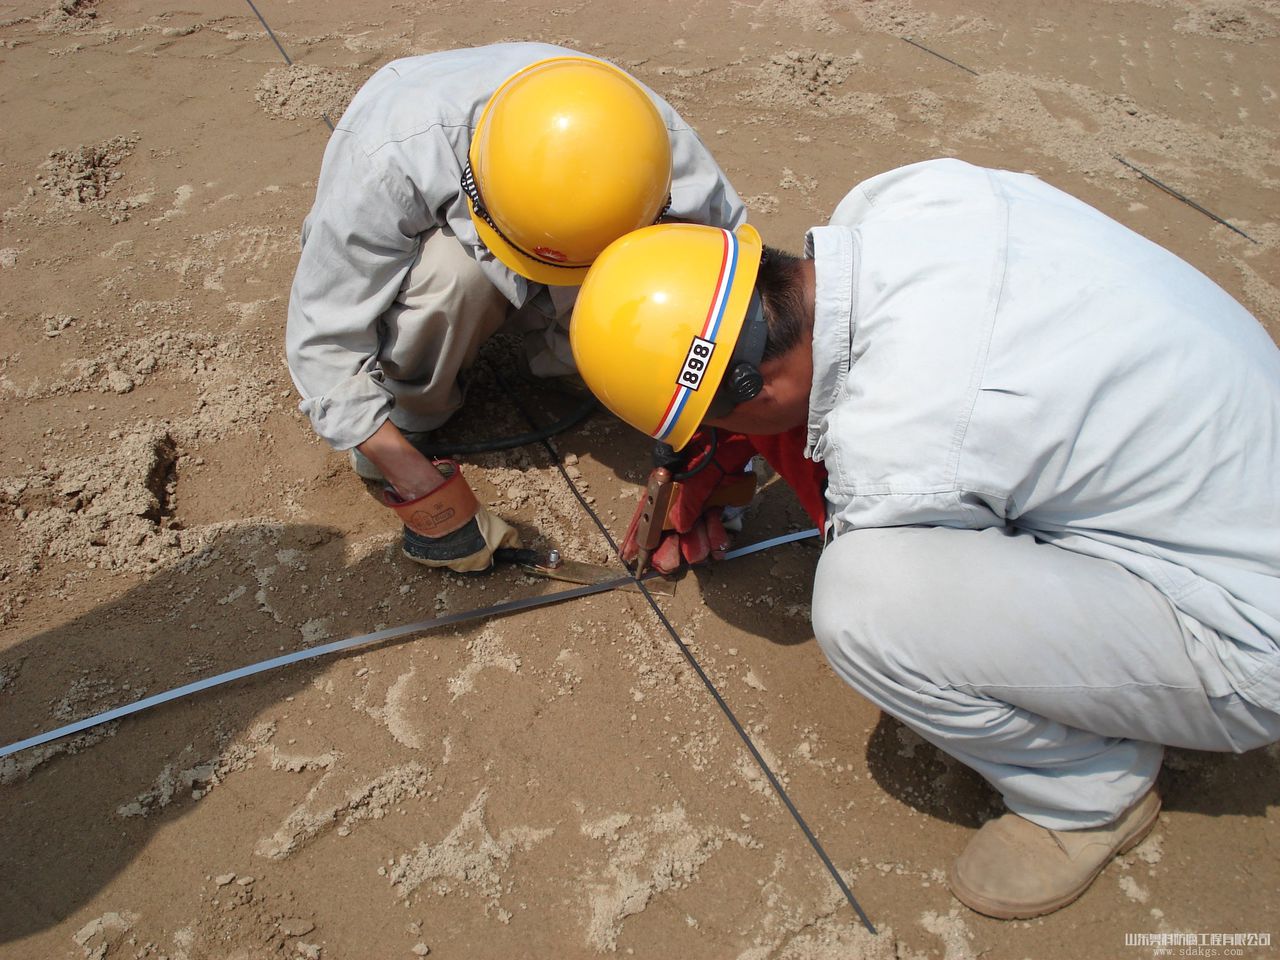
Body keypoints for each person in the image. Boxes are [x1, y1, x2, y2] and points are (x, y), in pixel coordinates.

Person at [568, 158, 1280, 919]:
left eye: (711, 425)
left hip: (1243, 629)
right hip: (1232, 473)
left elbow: (878, 499)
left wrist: (764, 448)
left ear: (759, 396)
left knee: (866, 604)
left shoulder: (907, 452)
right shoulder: (908, 198)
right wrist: (737, 439)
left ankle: (1089, 791)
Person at [284, 43, 744, 572]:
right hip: (451, 254)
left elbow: (730, 324)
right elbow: (323, 343)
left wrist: (714, 461)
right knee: (450, 281)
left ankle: (574, 353)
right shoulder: (390, 154)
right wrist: (418, 484)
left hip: (601, 232)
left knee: (662, 308)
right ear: (474, 196)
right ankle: (408, 411)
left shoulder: (658, 159)